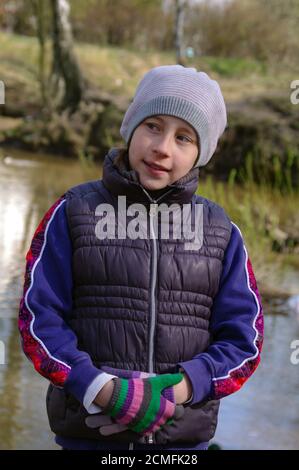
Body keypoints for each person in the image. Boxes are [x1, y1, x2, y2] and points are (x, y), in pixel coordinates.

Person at [18, 64, 264, 451]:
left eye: (184, 137)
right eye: (153, 125)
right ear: (130, 126)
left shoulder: (221, 231)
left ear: (202, 153)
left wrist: (181, 388)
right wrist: (102, 390)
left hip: (181, 442)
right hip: (89, 436)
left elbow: (244, 342)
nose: (163, 147)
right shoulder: (72, 212)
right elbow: (38, 321)